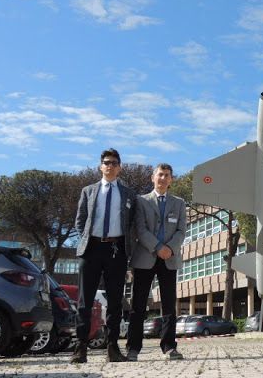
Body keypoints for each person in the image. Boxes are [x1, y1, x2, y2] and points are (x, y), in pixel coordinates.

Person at [71, 148, 137, 363]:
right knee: (84, 301)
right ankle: (81, 348)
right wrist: (86, 240)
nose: (110, 166)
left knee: (115, 302)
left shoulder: (128, 194)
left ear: (120, 167)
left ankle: (112, 348)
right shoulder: (88, 191)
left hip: (116, 250)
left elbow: (132, 223)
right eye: (106, 162)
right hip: (91, 249)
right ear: (101, 166)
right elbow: (80, 220)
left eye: (114, 162)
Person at [126, 163, 187, 361]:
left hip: (169, 258)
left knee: (169, 304)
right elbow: (140, 229)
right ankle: (133, 348)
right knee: (138, 304)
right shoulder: (141, 201)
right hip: (145, 257)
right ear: (153, 178)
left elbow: (181, 230)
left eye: (167, 175)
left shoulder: (179, 203)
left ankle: (169, 346)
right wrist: (157, 247)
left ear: (171, 180)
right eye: (160, 174)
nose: (163, 178)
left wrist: (169, 248)